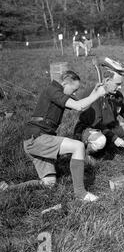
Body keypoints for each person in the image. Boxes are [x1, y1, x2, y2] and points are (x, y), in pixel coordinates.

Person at [23, 71, 107, 202]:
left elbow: (83, 105)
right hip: (37, 138)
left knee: (48, 183)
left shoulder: (58, 91)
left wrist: (94, 94)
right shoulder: (53, 90)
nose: (74, 94)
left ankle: (8, 188)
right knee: (78, 146)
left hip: (36, 139)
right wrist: (97, 95)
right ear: (64, 83)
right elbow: (79, 106)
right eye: (74, 90)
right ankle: (80, 193)